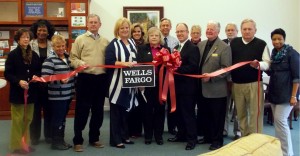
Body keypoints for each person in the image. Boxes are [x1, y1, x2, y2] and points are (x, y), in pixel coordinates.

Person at [70, 14, 109, 152]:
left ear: (100, 24)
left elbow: (110, 60)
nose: (93, 24)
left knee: (98, 111)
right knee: (82, 110)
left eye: (95, 22)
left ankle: (94, 138)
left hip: (101, 80)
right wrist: (80, 63)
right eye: (90, 22)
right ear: (87, 24)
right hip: (85, 79)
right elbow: (72, 58)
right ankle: (78, 140)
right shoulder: (80, 39)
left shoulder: (106, 41)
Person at [230, 19, 270, 137]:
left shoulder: (262, 44)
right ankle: (244, 137)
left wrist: (259, 65)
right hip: (237, 84)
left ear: (255, 30)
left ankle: (255, 139)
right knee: (240, 114)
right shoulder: (234, 43)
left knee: (255, 114)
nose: (247, 31)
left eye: (250, 29)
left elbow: (267, 63)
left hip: (254, 84)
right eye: (244, 29)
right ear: (241, 30)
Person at [5, 28, 41, 154]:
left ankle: (24, 143)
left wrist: (36, 77)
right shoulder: (13, 55)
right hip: (17, 94)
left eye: (28, 37)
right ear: (18, 39)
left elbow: (38, 70)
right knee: (17, 120)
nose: (26, 39)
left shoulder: (34, 55)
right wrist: (18, 81)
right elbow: (7, 74)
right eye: (23, 37)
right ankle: (16, 146)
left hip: (31, 93)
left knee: (28, 119)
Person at [197, 21, 232, 150]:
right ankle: (207, 137)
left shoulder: (224, 47)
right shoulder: (201, 45)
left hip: (217, 89)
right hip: (201, 88)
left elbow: (226, 68)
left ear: (218, 31)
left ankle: (217, 140)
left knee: (217, 117)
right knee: (205, 115)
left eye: (212, 29)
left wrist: (211, 77)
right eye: (208, 29)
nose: (209, 31)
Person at [105, 17, 137, 149]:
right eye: (122, 28)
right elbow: (109, 61)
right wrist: (124, 64)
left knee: (125, 111)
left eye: (127, 27)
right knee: (116, 113)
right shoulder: (113, 44)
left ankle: (124, 136)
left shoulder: (132, 42)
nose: (125, 30)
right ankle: (115, 139)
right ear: (117, 30)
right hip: (117, 84)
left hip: (129, 83)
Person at [267, 28, 299, 156]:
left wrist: (293, 96)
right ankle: (280, 151)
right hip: (275, 92)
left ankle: (287, 153)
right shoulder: (274, 54)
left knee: (281, 121)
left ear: (284, 39)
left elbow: (297, 77)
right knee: (278, 124)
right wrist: (259, 66)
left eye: (279, 39)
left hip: (287, 95)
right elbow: (271, 72)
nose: (276, 41)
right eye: (274, 39)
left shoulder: (292, 54)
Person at [167, 23, 199, 150]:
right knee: (178, 113)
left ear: (187, 32)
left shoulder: (192, 48)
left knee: (188, 114)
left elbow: (193, 67)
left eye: (182, 31)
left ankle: (192, 139)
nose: (180, 34)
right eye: (178, 32)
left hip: (188, 88)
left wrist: (176, 69)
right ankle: (181, 135)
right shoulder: (176, 47)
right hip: (176, 87)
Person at [136, 27, 169, 145]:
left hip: (161, 85)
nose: (154, 37)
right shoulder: (141, 49)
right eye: (151, 35)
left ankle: (159, 136)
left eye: (156, 35)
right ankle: (148, 135)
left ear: (160, 37)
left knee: (160, 110)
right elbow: (139, 65)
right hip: (146, 85)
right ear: (148, 37)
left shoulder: (166, 49)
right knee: (146, 110)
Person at [41, 35, 74, 150]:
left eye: (63, 46)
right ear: (53, 47)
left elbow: (71, 74)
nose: (61, 48)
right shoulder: (49, 60)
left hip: (68, 94)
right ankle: (55, 142)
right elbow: (45, 78)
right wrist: (59, 80)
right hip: (57, 96)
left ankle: (61, 140)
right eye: (58, 46)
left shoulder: (68, 58)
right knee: (57, 119)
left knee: (63, 119)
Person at [29, 19, 55, 145]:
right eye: (39, 30)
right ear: (35, 31)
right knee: (35, 111)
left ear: (48, 32)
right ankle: (34, 137)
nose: (42, 32)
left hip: (49, 83)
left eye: (44, 30)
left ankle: (49, 136)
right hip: (34, 83)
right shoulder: (29, 44)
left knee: (49, 110)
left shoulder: (53, 44)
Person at [159, 17, 179, 135]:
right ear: (160, 27)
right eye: (163, 25)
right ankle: (159, 128)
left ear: (170, 27)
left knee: (172, 102)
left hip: (171, 76)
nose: (165, 27)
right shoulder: (157, 40)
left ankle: (172, 127)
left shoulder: (175, 41)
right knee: (160, 102)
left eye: (167, 25)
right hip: (160, 75)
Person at [222, 23, 240, 140]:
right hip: (224, 81)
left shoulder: (240, 43)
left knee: (238, 108)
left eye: (232, 30)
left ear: (237, 31)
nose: (230, 32)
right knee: (224, 106)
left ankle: (238, 132)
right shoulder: (222, 43)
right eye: (228, 30)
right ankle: (224, 130)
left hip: (238, 80)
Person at [128, 23, 145, 138]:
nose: (136, 33)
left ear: (142, 33)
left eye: (138, 31)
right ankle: (130, 130)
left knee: (141, 106)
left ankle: (138, 130)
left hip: (143, 78)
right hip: (130, 77)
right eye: (134, 31)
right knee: (131, 105)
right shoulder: (128, 44)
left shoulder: (146, 45)